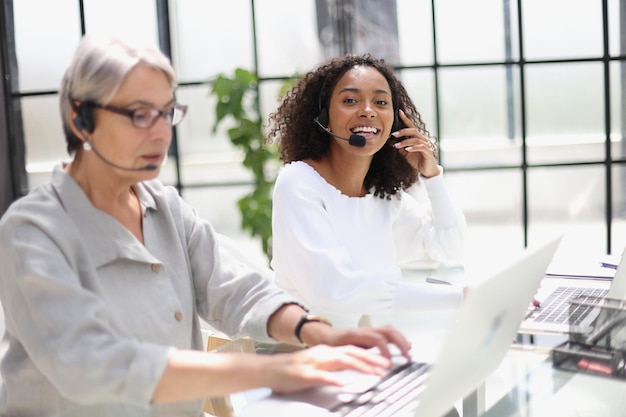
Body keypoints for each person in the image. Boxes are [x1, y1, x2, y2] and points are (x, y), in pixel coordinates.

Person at [0, 37, 413, 417]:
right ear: (80, 118)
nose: (161, 132)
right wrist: (274, 371)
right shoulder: (33, 231)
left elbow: (236, 289)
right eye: (139, 114)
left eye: (166, 113)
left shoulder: (164, 208)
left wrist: (317, 333)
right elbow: (90, 363)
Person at [267, 54, 467, 328]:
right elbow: (336, 290)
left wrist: (431, 176)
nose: (368, 111)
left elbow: (449, 248)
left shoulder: (382, 195)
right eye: (350, 100)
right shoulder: (299, 183)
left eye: (381, 102)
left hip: (366, 347)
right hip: (308, 354)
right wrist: (460, 297)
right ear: (323, 116)